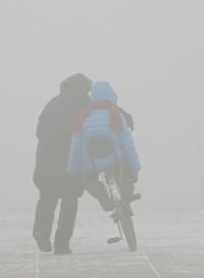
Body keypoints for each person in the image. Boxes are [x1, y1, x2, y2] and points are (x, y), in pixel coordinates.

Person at [32, 73, 92, 255]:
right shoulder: (84, 103)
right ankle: (62, 245)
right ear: (81, 88)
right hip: (70, 159)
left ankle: (41, 231)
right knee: (70, 201)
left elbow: (39, 131)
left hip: (47, 158)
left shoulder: (52, 103)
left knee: (47, 198)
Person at [67, 81, 141, 212]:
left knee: (88, 180)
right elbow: (127, 144)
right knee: (128, 174)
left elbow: (75, 147)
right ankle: (126, 195)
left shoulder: (83, 117)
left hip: (92, 164)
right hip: (116, 161)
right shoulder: (117, 115)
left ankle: (105, 200)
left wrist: (73, 170)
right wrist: (135, 167)